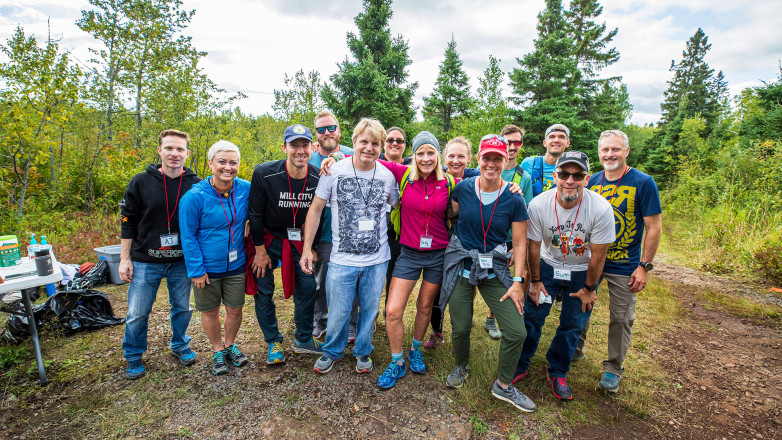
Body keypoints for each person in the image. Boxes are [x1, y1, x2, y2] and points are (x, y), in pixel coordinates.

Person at [440, 134, 534, 412]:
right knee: (460, 325)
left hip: (494, 268)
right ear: (478, 159)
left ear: (506, 161)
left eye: (498, 158)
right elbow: (450, 215)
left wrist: (518, 281)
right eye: (487, 158)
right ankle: (461, 366)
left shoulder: (514, 198)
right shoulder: (463, 189)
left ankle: (504, 385)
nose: (491, 164)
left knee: (517, 332)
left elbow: (519, 243)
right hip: (462, 267)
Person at [300, 118, 399, 375]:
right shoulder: (334, 171)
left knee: (369, 310)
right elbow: (316, 209)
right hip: (342, 258)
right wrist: (306, 248)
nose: (369, 147)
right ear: (353, 142)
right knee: (339, 310)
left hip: (377, 259)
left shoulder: (387, 176)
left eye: (375, 143)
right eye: (364, 141)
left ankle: (363, 351)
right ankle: (332, 350)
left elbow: (396, 205)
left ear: (381, 147)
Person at [513, 151, 614, 401]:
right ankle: (520, 363)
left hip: (581, 272)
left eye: (577, 175)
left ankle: (558, 371)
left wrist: (590, 288)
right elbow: (533, 246)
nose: (570, 180)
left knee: (572, 325)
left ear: (587, 179)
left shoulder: (601, 209)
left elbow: (599, 256)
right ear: (555, 177)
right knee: (532, 317)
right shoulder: (538, 205)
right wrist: (535, 282)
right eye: (564, 174)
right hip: (547, 266)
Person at [574, 130, 662, 393]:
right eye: (605, 150)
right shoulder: (592, 181)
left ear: (626, 151)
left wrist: (644, 265)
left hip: (624, 264)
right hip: (591, 260)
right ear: (599, 153)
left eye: (615, 149)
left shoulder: (643, 182)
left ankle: (613, 368)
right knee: (580, 305)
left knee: (621, 318)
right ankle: (574, 350)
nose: (609, 154)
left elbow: (654, 227)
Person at [373, 131, 455, 388]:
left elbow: (481, 181)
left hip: (438, 255)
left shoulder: (450, 182)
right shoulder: (403, 175)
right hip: (408, 253)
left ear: (438, 156)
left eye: (431, 153)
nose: (426, 158)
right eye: (421, 153)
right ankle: (397, 361)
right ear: (414, 155)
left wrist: (514, 185)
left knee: (424, 306)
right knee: (393, 310)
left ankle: (415, 349)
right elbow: (371, 156)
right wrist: (335, 157)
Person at [119, 129, 201, 380]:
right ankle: (133, 355)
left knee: (183, 308)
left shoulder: (196, 184)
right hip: (146, 259)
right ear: (160, 151)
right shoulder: (141, 182)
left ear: (188, 153)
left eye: (179, 149)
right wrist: (125, 259)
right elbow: (128, 221)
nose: (174, 154)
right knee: (137, 312)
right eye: (169, 148)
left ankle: (180, 344)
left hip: (181, 261)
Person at [249, 124, 325, 365]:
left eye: (305, 145)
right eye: (294, 145)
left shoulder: (318, 175)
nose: (300, 151)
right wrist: (260, 251)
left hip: (300, 240)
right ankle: (273, 341)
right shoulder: (264, 173)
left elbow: (320, 212)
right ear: (285, 148)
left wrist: (310, 247)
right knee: (264, 289)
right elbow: (255, 214)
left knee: (307, 285)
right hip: (269, 238)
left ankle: (303, 338)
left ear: (313, 148)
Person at [180, 140, 251, 376]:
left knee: (235, 309)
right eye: (222, 162)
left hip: (236, 264)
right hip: (207, 268)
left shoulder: (245, 189)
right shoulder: (194, 197)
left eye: (233, 162)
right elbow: (188, 236)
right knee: (210, 311)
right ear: (210, 164)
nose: (227, 167)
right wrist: (196, 270)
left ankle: (230, 345)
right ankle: (217, 349)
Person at [481, 125, 535, 341]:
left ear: (521, 146)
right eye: (508, 142)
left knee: (504, 280)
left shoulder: (524, 176)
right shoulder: (483, 168)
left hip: (507, 240)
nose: (512, 146)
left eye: (517, 143)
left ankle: (492, 318)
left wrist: (514, 246)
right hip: (482, 237)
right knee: (477, 278)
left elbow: (525, 213)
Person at [308, 110, 358, 342]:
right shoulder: (308, 159)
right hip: (322, 232)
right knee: (320, 281)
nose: (327, 132)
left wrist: (337, 159)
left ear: (339, 130)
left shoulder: (353, 154)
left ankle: (350, 324)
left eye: (331, 128)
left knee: (352, 280)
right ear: (315, 134)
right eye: (321, 129)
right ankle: (318, 319)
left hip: (351, 232)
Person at [521, 124, 570, 197]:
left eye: (561, 137)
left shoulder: (572, 168)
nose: (556, 140)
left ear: (567, 143)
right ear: (544, 143)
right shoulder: (529, 164)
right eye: (552, 137)